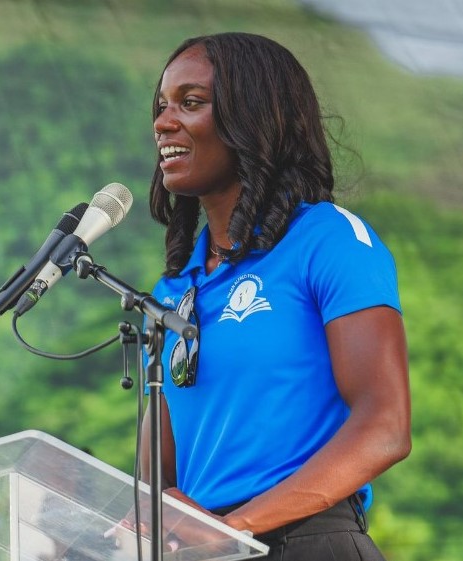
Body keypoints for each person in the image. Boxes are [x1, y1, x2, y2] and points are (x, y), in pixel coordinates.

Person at [138, 32, 412, 560]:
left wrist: (237, 526)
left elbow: (386, 426)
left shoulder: (328, 239)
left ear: (253, 118)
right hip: (208, 550)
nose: (163, 122)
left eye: (190, 103)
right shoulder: (171, 292)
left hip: (308, 539)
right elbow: (159, 479)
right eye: (162, 106)